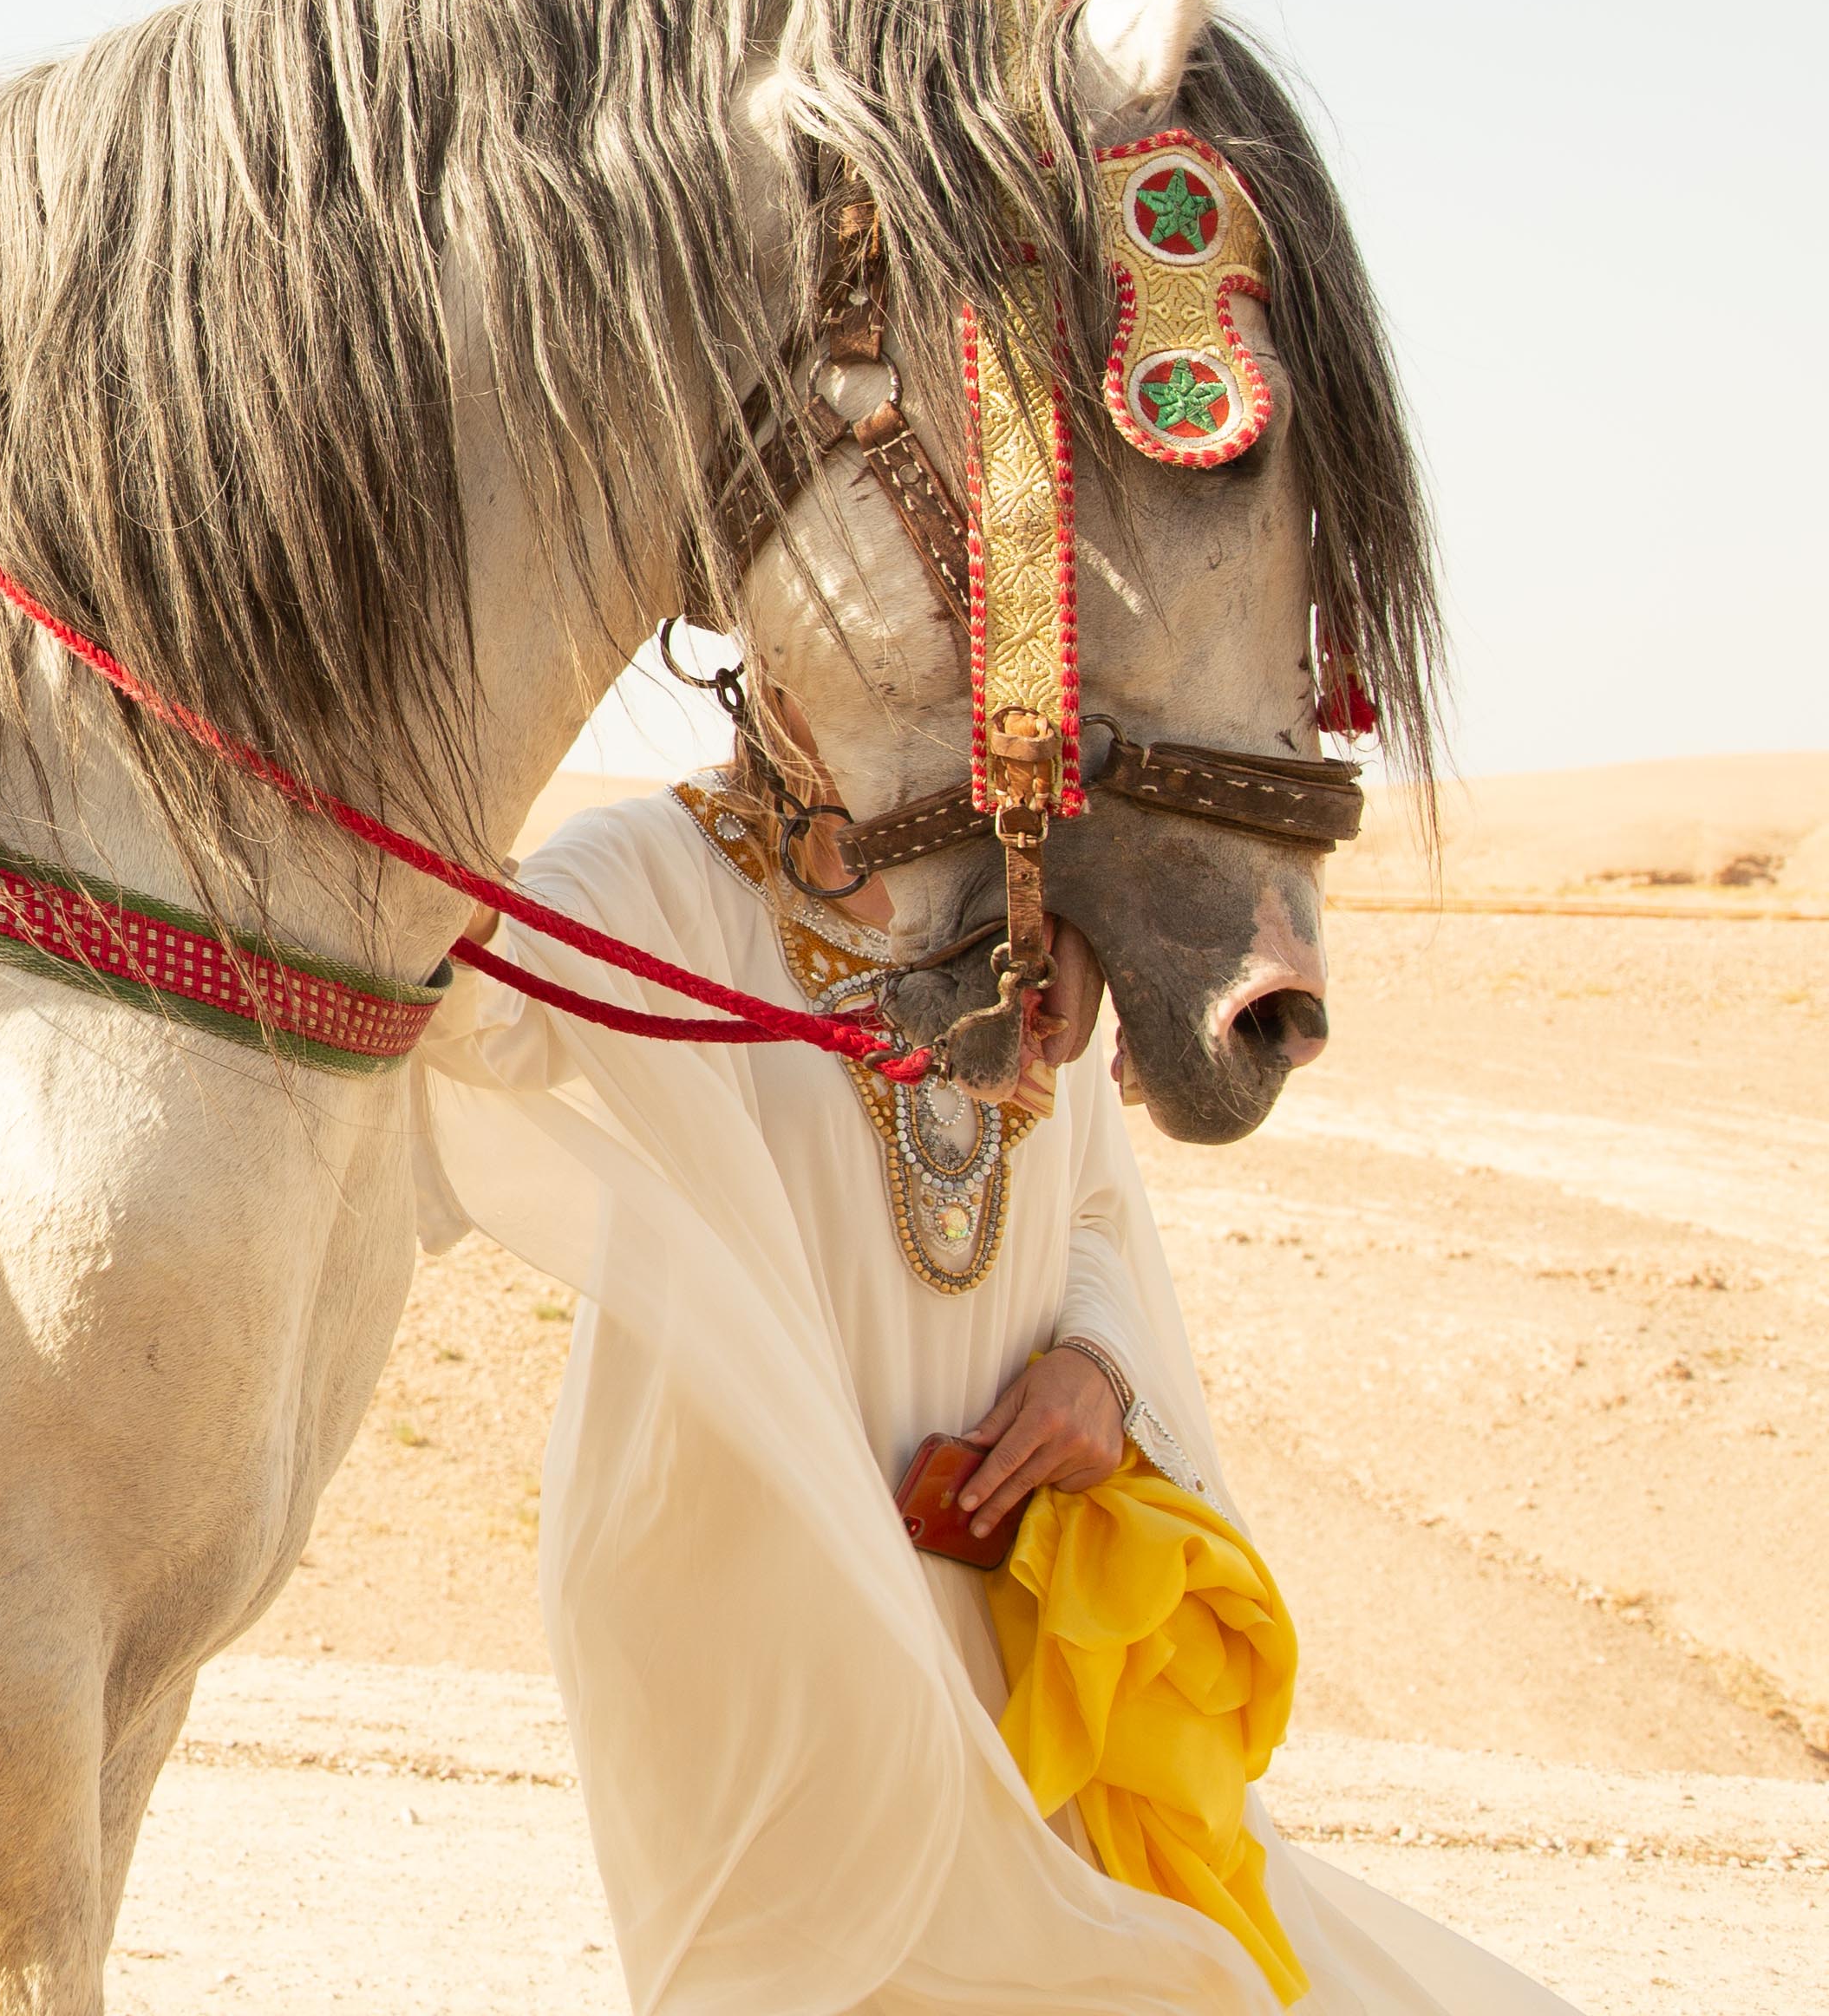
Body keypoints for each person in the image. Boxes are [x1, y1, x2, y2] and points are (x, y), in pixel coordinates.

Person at [415, 727, 1575, 2013]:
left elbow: (1093, 1215)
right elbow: (464, 1007)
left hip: (1014, 1585)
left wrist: (1097, 1367)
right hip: (748, 1580)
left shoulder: (1028, 901)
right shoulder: (649, 876)